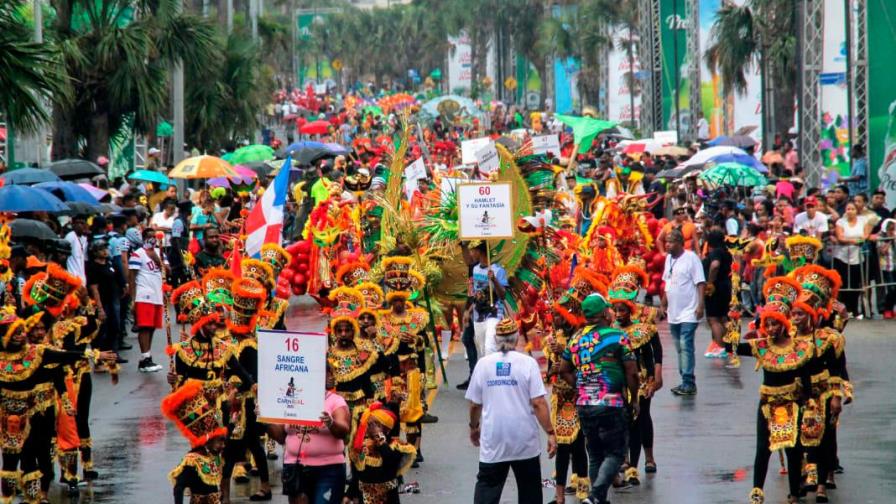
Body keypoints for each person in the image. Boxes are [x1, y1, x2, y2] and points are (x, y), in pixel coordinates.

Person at [724, 277, 813, 504]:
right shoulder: (761, 346)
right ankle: (757, 490)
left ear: (784, 323)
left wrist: (806, 403)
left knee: (792, 448)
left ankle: (794, 493)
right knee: (763, 448)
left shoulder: (800, 348)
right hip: (767, 405)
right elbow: (729, 347)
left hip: (791, 403)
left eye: (775, 323)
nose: (772, 328)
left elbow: (805, 379)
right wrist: (732, 322)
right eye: (768, 324)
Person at [558, 294, 639, 504]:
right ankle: (595, 496)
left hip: (585, 403)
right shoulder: (616, 335)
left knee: (594, 455)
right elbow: (632, 372)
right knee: (616, 453)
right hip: (610, 402)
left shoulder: (575, 338)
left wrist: (581, 384)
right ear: (604, 313)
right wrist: (635, 399)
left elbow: (564, 369)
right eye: (608, 309)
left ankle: (598, 499)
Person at [465, 318, 556, 504]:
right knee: (529, 489)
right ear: (516, 339)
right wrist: (550, 432)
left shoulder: (483, 364)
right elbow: (539, 402)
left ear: (496, 339)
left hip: (494, 438)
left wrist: (474, 427)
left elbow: (475, 404)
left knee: (487, 487)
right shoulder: (527, 363)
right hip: (524, 440)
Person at [265, 368, 350, 504]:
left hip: (329, 470)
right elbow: (280, 437)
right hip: (295, 469)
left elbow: (344, 431)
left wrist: (331, 423)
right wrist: (265, 419)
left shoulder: (336, 401)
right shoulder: (288, 400)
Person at [660, 229, 705, 395]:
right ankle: (684, 379)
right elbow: (668, 284)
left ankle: (688, 382)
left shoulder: (691, 258)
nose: (667, 245)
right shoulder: (669, 259)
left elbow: (700, 282)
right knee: (679, 347)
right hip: (673, 312)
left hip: (689, 311)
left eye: (670, 242)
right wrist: (663, 305)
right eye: (666, 242)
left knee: (686, 345)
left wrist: (701, 306)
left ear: (679, 243)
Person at [128, 227, 165, 372]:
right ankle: (146, 358)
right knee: (144, 326)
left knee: (152, 327)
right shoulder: (138, 254)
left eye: (154, 237)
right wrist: (133, 299)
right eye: (149, 237)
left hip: (157, 295)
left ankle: (145, 359)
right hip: (144, 295)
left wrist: (158, 260)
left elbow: (168, 272)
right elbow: (131, 276)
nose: (152, 240)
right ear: (144, 239)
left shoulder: (160, 253)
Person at [86, 240, 126, 363]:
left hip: (113, 300)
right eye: (101, 249)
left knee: (115, 328)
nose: (105, 251)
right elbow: (94, 288)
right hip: (102, 301)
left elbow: (118, 277)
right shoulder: (93, 267)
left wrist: (123, 287)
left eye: (105, 248)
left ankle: (113, 354)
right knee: (101, 330)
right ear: (95, 252)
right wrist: (100, 308)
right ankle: (100, 357)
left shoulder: (110, 263)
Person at [466, 242, 508, 359]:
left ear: (479, 251)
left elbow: (503, 295)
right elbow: (474, 293)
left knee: (490, 348)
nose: (470, 253)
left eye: (472, 250)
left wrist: (494, 280)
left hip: (494, 314)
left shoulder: (498, 270)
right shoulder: (474, 269)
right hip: (478, 315)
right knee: (483, 352)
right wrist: (469, 310)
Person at [833, 202, 871, 316]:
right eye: (848, 209)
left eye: (852, 209)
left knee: (855, 284)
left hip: (858, 257)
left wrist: (856, 240)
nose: (850, 211)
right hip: (842, 257)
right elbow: (840, 237)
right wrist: (854, 241)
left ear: (856, 211)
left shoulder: (863, 221)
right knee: (843, 285)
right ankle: (843, 310)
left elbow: (865, 235)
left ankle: (854, 310)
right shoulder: (840, 222)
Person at [703, 230, 733, 358]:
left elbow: (715, 265)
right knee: (723, 317)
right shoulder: (726, 252)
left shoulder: (716, 252)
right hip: (726, 286)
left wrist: (710, 282)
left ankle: (721, 347)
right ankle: (729, 345)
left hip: (716, 287)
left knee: (713, 319)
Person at [64, 214, 89, 284]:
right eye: (77, 223)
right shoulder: (70, 236)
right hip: (72, 277)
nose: (80, 225)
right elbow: (63, 256)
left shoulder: (84, 239)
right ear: (73, 225)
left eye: (82, 223)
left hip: (81, 279)